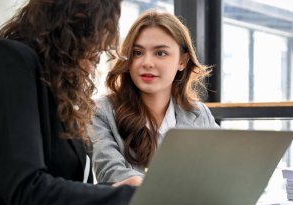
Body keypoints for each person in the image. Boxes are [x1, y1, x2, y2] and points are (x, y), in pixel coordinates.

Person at [0, 0, 136, 205]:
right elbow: (27, 190)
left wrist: (116, 189)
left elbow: (62, 188)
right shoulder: (9, 58)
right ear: (74, 25)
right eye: (102, 28)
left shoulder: (60, 90)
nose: (104, 45)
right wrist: (127, 197)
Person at [91, 10, 219, 187]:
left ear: (182, 61)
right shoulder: (102, 111)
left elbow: (219, 171)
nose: (147, 63)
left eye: (160, 53)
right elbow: (111, 173)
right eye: (137, 52)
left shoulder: (199, 114)